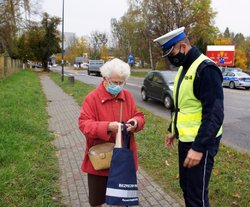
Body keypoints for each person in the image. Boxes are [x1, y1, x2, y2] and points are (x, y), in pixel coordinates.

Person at [154, 27, 224, 207]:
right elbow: (184, 107)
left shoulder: (206, 69)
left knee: (196, 196)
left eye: (172, 53)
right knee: (186, 187)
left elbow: (214, 114)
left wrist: (199, 148)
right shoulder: (185, 68)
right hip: (186, 140)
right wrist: (173, 130)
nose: (171, 58)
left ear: (183, 47)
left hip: (201, 143)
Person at [78, 58, 145, 207]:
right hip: (101, 160)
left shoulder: (127, 96)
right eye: (115, 82)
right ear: (105, 79)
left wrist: (135, 123)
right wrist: (108, 126)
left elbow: (139, 116)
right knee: (97, 200)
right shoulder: (92, 98)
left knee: (123, 201)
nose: (118, 86)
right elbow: (84, 125)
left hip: (123, 160)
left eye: (122, 83)